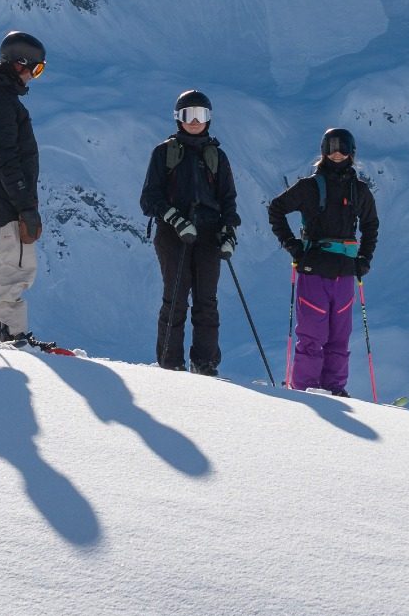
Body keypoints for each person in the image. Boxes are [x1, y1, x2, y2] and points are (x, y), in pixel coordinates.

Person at [268, 127, 379, 396]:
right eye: (331, 147)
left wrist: (365, 259)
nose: (337, 153)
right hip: (315, 269)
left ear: (352, 152)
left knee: (339, 337)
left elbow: (371, 225)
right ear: (323, 151)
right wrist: (293, 247)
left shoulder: (359, 191)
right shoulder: (310, 186)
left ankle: (334, 389)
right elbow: (276, 209)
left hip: (344, 272)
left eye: (343, 147)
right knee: (312, 335)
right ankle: (306, 388)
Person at [139, 90, 241, 374]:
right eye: (188, 115)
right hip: (173, 234)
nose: (195, 121)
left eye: (201, 115)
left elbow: (228, 199)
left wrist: (228, 231)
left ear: (209, 119)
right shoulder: (164, 153)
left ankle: (205, 363)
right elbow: (149, 198)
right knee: (175, 298)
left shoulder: (217, 156)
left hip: (208, 234)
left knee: (207, 301)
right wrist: (175, 219)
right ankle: (171, 362)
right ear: (178, 119)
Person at [0, 31, 47, 347]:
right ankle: (9, 333)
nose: (34, 76)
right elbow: (7, 159)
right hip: (8, 206)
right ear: (20, 63)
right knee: (15, 271)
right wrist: (25, 205)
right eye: (36, 68)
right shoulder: (1, 102)